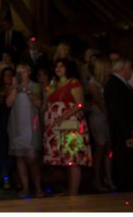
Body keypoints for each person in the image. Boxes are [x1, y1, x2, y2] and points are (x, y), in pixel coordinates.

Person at [42, 59, 92, 196]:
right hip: (57, 127)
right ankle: (69, 189)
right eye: (56, 66)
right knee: (65, 159)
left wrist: (61, 117)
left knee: (73, 158)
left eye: (61, 66)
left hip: (71, 125)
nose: (58, 68)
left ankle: (73, 192)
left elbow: (79, 104)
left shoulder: (74, 83)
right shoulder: (54, 84)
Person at [105, 59, 133, 191]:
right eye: (129, 68)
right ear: (122, 69)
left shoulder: (121, 83)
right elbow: (119, 112)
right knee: (124, 161)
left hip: (127, 129)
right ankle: (125, 190)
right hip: (122, 131)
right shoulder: (115, 84)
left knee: (129, 160)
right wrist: (127, 133)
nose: (131, 72)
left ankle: (128, 187)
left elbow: (132, 104)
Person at [5, 64, 43, 198]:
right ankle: (25, 188)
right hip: (17, 126)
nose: (20, 75)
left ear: (29, 72)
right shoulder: (13, 86)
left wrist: (27, 91)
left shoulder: (35, 85)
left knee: (32, 158)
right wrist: (15, 88)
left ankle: (38, 188)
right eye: (18, 72)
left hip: (31, 126)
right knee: (20, 158)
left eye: (23, 72)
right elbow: (8, 103)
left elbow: (39, 104)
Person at [86, 57, 115, 192]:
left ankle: (108, 178)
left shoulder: (107, 82)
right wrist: (111, 116)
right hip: (99, 117)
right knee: (100, 147)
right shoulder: (93, 84)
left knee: (109, 149)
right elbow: (99, 102)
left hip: (106, 117)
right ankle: (97, 178)